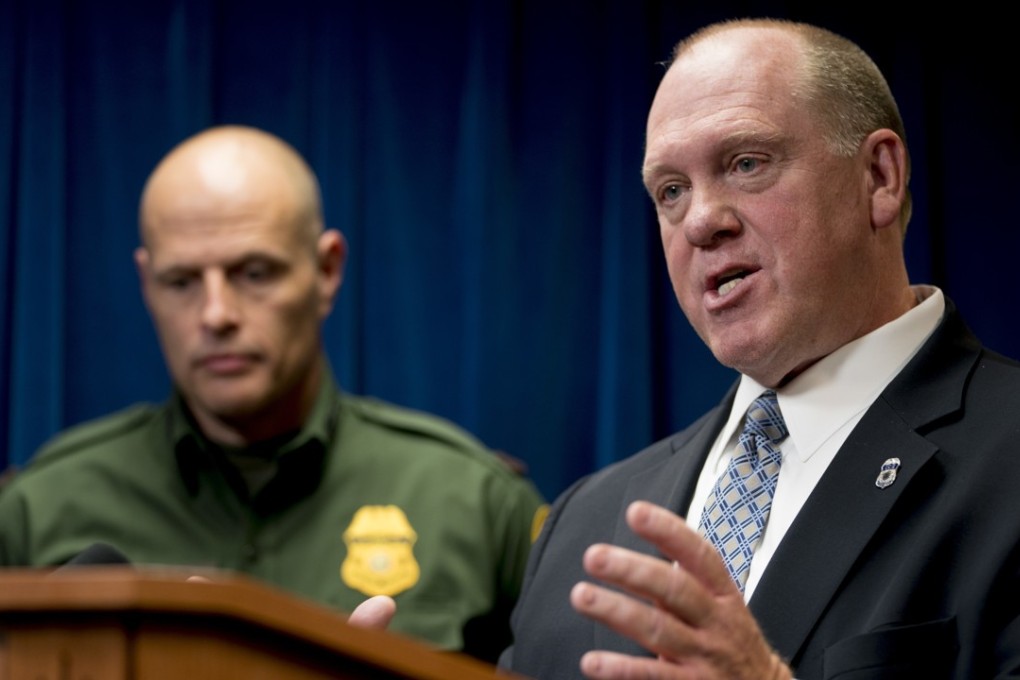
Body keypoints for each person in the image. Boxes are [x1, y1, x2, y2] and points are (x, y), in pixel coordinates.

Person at [498, 18, 1020, 679]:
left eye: (746, 164)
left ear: (879, 177)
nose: (700, 221)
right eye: (671, 191)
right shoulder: (581, 524)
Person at [0, 125, 547, 664]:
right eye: (181, 281)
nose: (216, 315)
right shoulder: (37, 512)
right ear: (146, 284)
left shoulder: (473, 504)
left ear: (327, 270)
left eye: (255, 273)